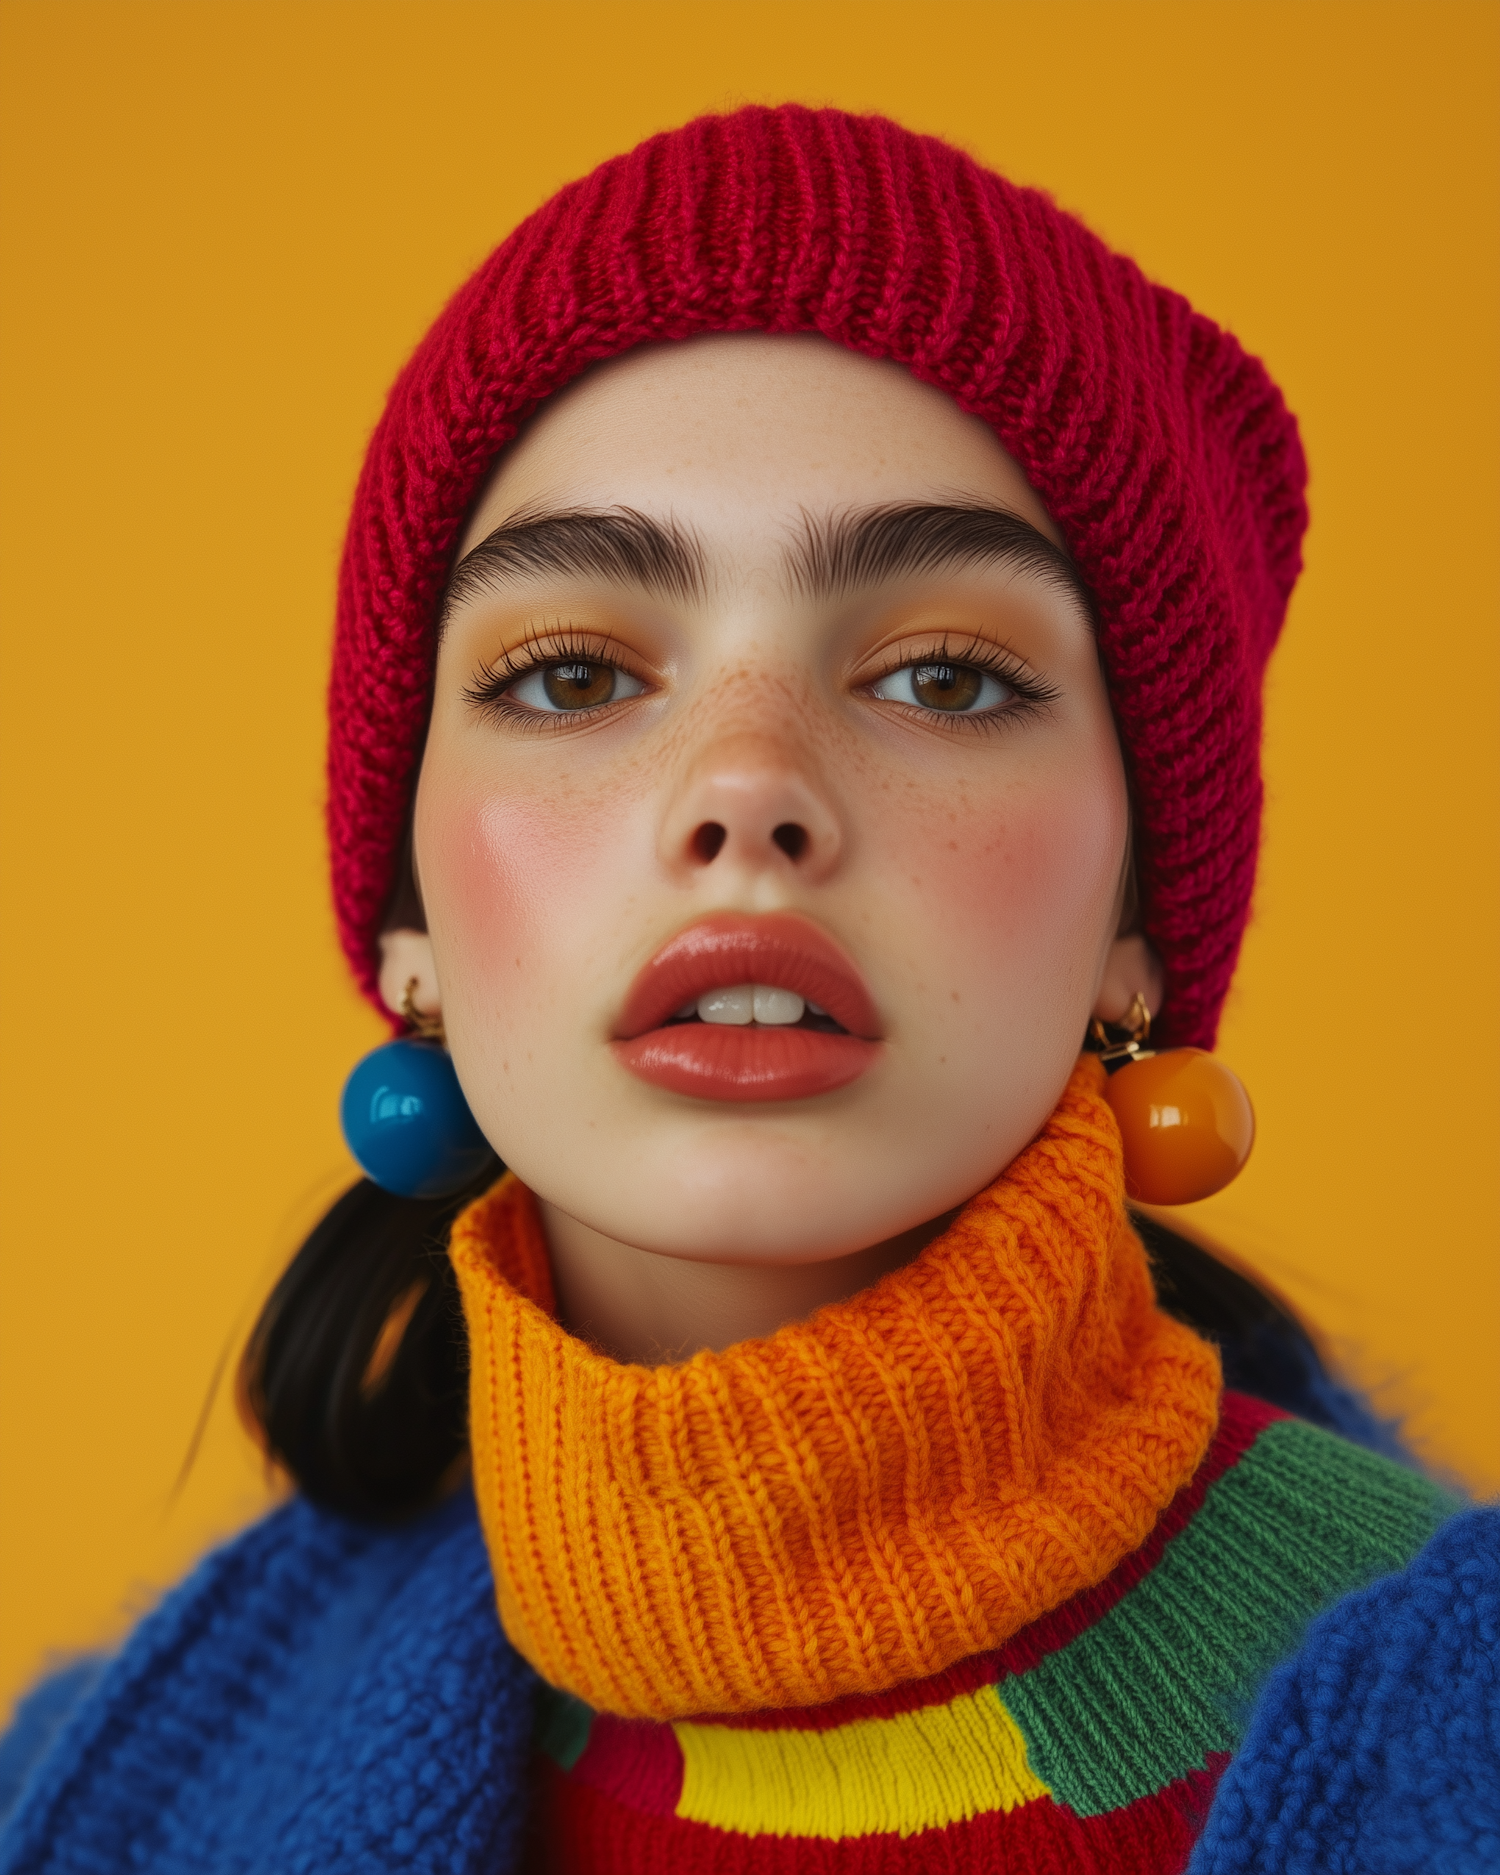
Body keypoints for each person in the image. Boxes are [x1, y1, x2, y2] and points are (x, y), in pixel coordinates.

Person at [1, 105, 1494, 1875]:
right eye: (571, 675)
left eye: (945, 676)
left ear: (1136, 925)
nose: (748, 788)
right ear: (409, 920)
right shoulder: (85, 1802)